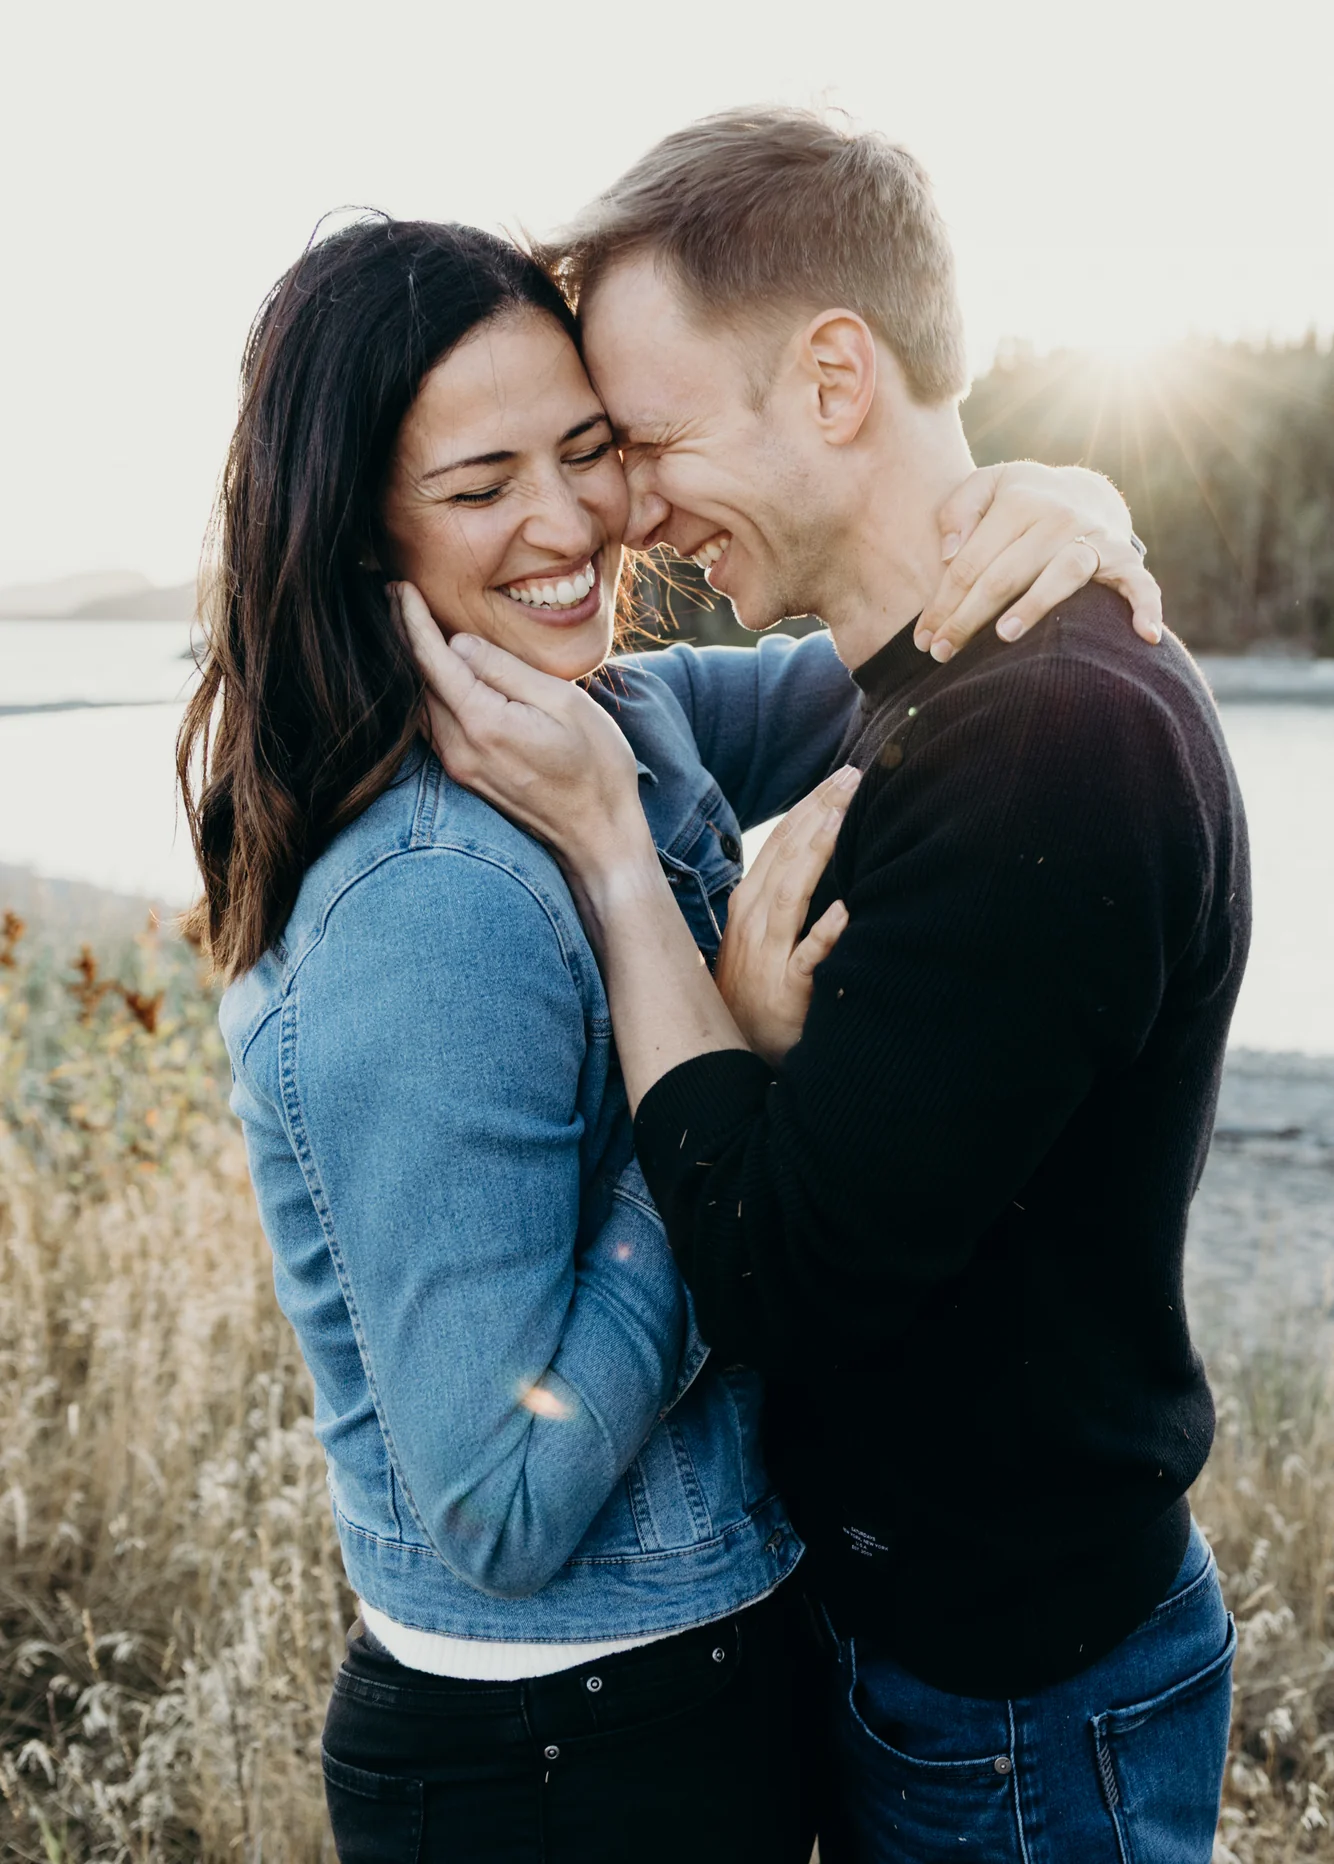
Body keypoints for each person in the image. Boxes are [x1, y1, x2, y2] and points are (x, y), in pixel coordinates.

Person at [181, 212, 1157, 1864]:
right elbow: (498, 1499)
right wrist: (730, 1064)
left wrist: (1063, 503)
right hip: (558, 1751)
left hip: (696, 1675)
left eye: (590, 450)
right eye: (481, 487)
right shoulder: (432, 904)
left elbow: (895, 636)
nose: (571, 524)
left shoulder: (612, 718)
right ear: (363, 541)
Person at [399, 108, 1249, 1864]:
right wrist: (1069, 485)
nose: (625, 505)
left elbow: (784, 1281)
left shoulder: (1047, 745)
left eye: (645, 439)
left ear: (835, 381)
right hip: (943, 1667)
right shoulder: (935, 676)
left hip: (1020, 1701)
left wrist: (631, 879)